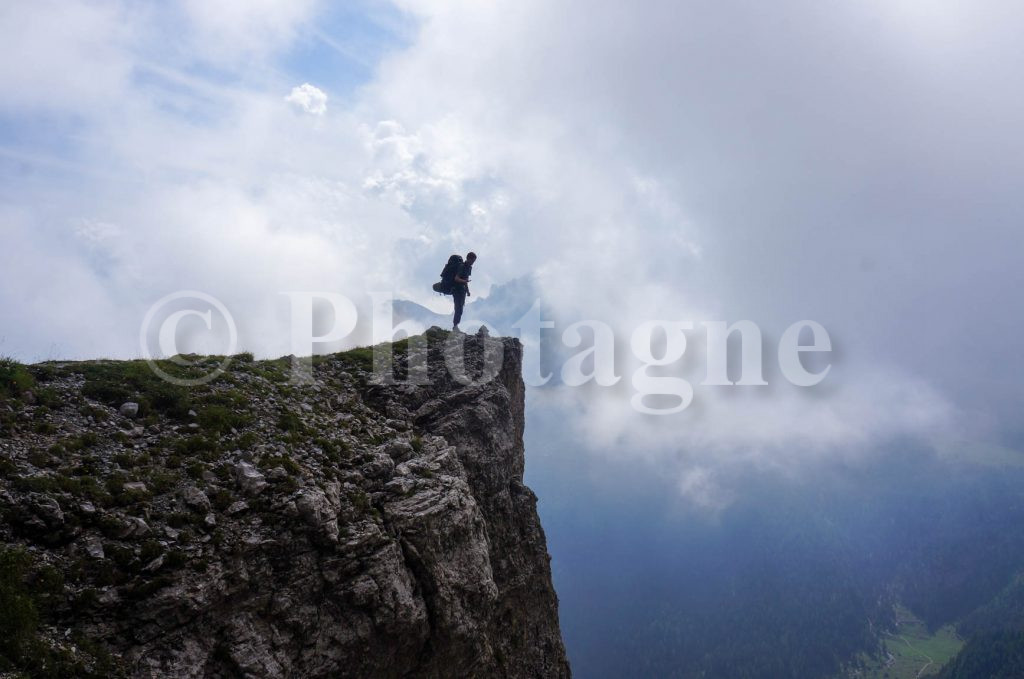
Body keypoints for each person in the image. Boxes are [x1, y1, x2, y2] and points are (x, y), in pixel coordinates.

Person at [451, 251, 476, 332]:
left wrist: (468, 291)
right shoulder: (462, 266)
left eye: (474, 261)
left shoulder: (469, 268)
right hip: (456, 289)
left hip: (463, 291)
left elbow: (466, 280)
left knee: (460, 308)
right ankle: (455, 326)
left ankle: (456, 326)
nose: (473, 262)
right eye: (472, 260)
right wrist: (464, 282)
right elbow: (456, 278)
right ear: (468, 258)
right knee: (458, 308)